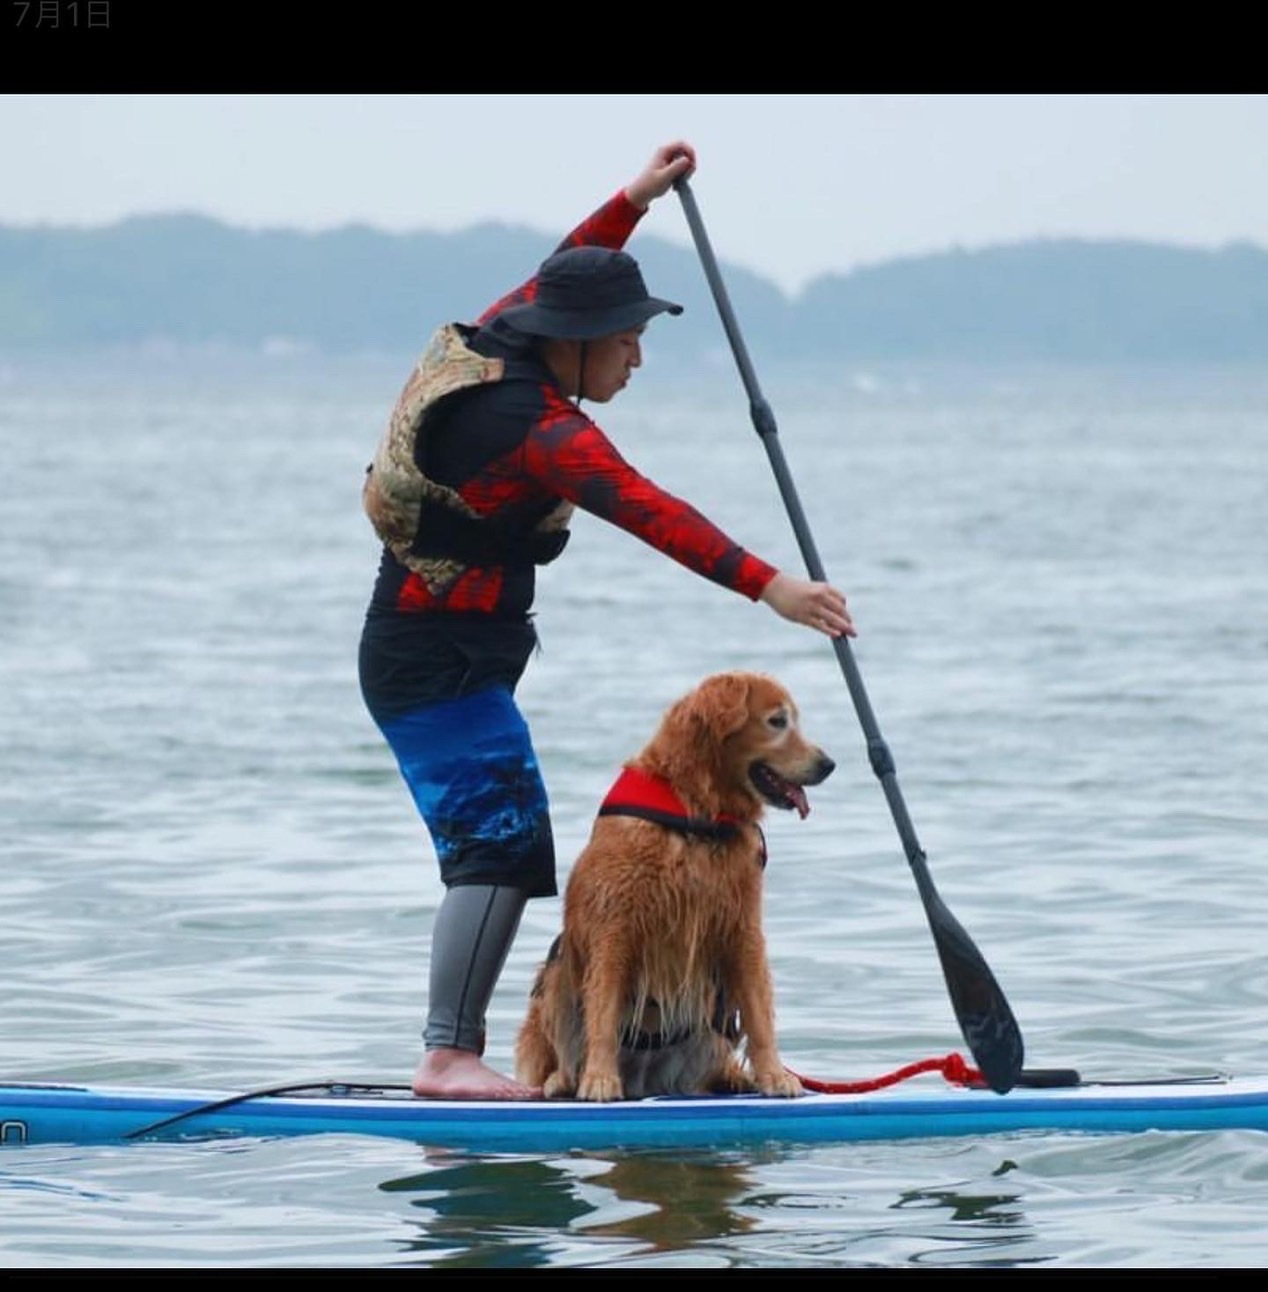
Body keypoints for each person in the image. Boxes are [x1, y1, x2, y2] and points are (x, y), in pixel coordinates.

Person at [358, 140, 857, 1101]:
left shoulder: (503, 337)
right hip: (433, 661)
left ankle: (479, 1053)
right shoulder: (539, 432)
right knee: (502, 844)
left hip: (445, 653)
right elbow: (646, 506)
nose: (637, 353)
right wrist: (771, 588)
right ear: (574, 342)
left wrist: (636, 198)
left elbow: (570, 256)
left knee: (505, 839)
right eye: (626, 338)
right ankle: (447, 1058)